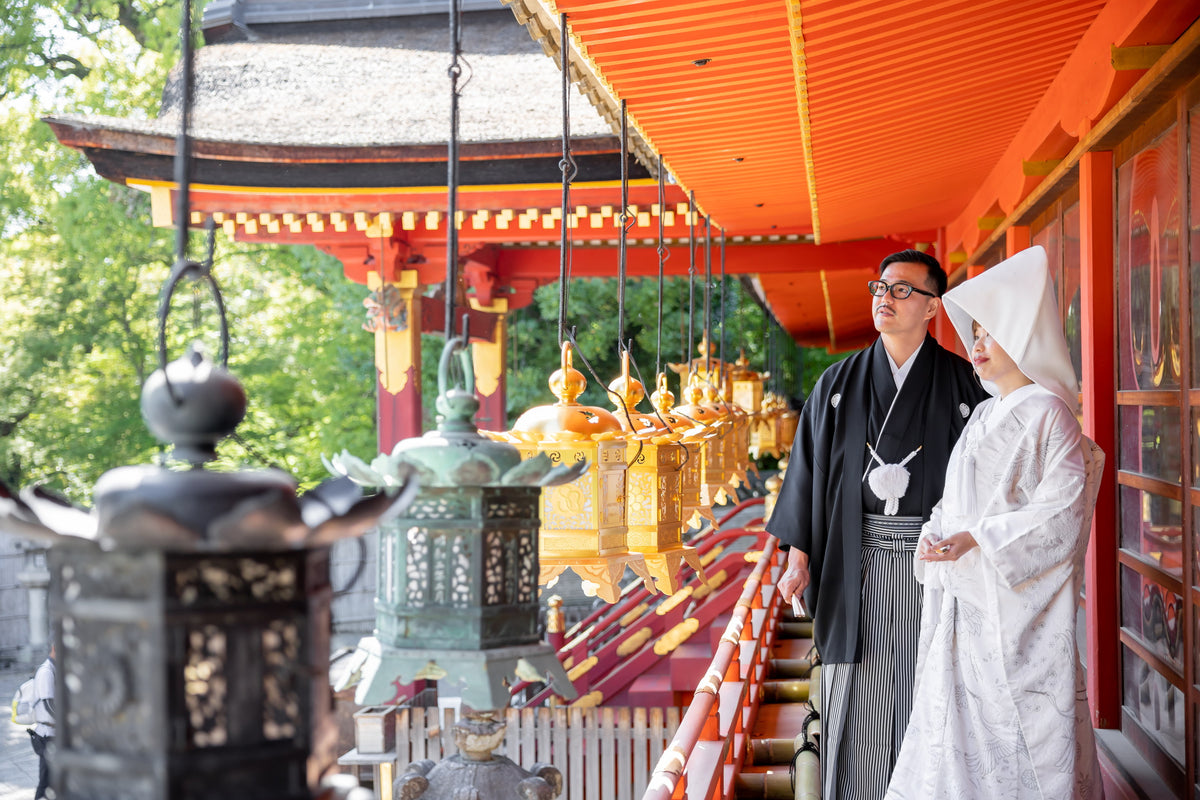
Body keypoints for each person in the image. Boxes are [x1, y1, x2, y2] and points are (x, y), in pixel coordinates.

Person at [767, 248, 988, 800]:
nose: (884, 299)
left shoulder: (964, 387)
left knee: (929, 684)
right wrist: (799, 557)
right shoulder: (837, 384)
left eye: (902, 290)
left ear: (933, 307)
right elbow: (808, 474)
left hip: (932, 563)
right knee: (861, 691)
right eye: (880, 288)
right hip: (853, 558)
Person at [884, 245, 1102, 799]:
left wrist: (977, 538)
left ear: (1021, 335)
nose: (975, 345)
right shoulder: (983, 414)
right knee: (952, 737)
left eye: (987, 333)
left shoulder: (1048, 411)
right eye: (974, 334)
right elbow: (953, 500)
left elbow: (1062, 510)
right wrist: (936, 533)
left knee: (1018, 742)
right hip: (965, 600)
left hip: (1012, 606)